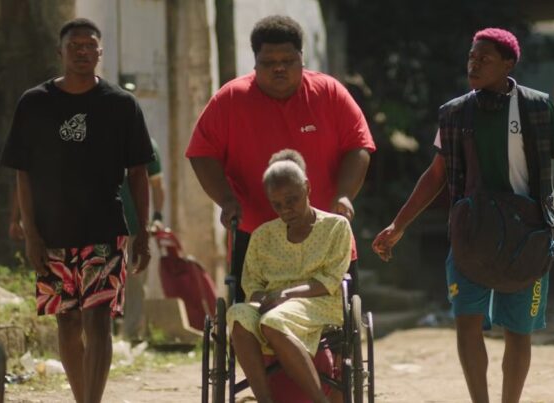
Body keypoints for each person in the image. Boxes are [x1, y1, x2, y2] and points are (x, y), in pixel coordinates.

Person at [372, 28, 554, 403]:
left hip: (528, 235)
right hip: (471, 233)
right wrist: (398, 224)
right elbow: (436, 174)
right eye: (471, 56)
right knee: (466, 321)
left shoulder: (537, 106)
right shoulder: (454, 113)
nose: (474, 63)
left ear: (508, 64)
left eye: (484, 59)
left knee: (518, 331)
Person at [0, 18, 153, 403]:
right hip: (51, 233)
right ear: (60, 52)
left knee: (98, 317)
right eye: (75, 46)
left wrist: (143, 232)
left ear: (100, 53)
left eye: (90, 46)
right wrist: (30, 232)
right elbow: (24, 173)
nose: (83, 52)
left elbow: (138, 173)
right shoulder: (34, 103)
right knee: (66, 318)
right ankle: (81, 395)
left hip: (105, 230)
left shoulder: (121, 105)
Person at [186, 15, 375, 302]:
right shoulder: (230, 99)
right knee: (250, 315)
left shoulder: (329, 93)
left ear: (301, 58)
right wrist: (226, 200)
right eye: (268, 62)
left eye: (287, 60)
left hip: (323, 230)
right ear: (255, 62)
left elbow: (358, 146)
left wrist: (346, 195)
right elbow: (202, 153)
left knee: (337, 320)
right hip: (256, 234)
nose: (278, 68)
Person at [227, 149, 351, 403]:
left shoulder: (336, 227)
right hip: (270, 305)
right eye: (277, 204)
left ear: (307, 187)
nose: (286, 210)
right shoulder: (263, 235)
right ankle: (265, 399)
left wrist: (286, 295)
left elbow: (331, 279)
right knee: (237, 315)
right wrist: (263, 297)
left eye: (292, 200)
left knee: (274, 320)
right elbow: (251, 282)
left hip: (320, 302)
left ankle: (320, 400)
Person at [121, 138, 165, 341]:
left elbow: (157, 184)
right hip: (104, 227)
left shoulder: (147, 145)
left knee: (135, 281)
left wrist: (157, 217)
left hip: (135, 227)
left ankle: (133, 334)